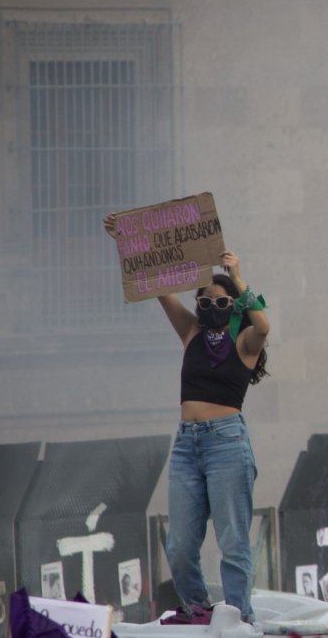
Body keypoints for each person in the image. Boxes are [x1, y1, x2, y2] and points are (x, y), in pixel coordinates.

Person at [105, 215, 272, 623]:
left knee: (233, 542)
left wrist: (238, 276)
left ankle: (238, 621)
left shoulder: (244, 342)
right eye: (205, 301)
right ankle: (199, 611)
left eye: (220, 302)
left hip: (227, 443)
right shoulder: (191, 333)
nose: (211, 308)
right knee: (179, 545)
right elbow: (159, 287)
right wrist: (128, 240)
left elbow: (264, 324)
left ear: (232, 305)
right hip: (187, 445)